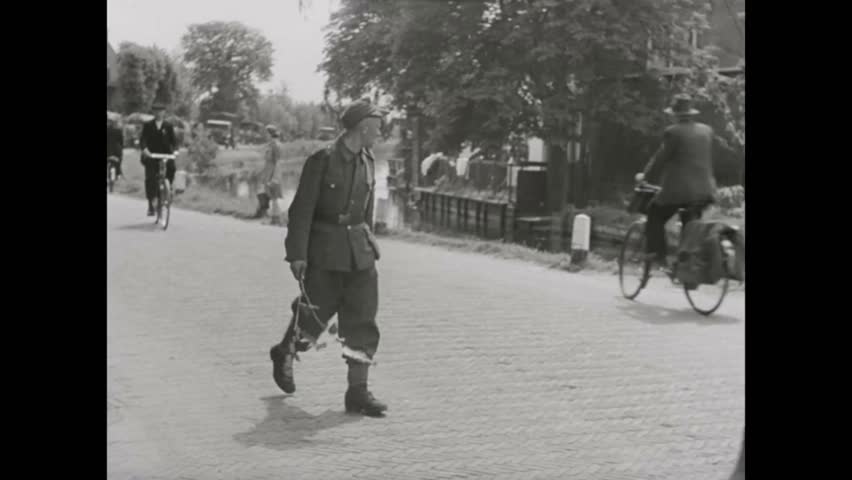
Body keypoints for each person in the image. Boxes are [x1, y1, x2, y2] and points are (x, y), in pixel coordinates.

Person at [270, 100, 386, 417]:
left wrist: (370, 239)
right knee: (313, 316)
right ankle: (285, 352)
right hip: (325, 252)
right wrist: (297, 254)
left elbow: (366, 210)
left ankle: (358, 393)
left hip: (360, 255)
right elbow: (302, 210)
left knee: (363, 319)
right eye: (378, 124)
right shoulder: (321, 160)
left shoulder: (368, 160)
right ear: (363, 126)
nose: (381, 131)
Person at [637, 94, 718, 272]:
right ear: (691, 113)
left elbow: (660, 159)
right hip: (705, 191)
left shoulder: (673, 132)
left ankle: (658, 256)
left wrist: (645, 177)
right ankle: (684, 265)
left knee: (655, 214)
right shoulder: (706, 131)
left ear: (674, 114)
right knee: (689, 225)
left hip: (680, 191)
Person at [140, 103, 178, 216]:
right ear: (153, 112)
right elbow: (143, 140)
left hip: (166, 154)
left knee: (172, 168)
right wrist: (145, 150)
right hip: (151, 155)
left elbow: (174, 141)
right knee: (150, 178)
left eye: (161, 111)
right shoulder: (148, 125)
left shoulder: (168, 126)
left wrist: (175, 151)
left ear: (164, 112)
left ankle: (169, 187)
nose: (158, 113)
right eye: (156, 111)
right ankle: (151, 204)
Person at [254, 125, 283, 220]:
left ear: (269, 134)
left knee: (273, 195)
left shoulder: (276, 145)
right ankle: (262, 212)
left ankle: (276, 217)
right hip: (267, 173)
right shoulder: (270, 145)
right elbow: (267, 161)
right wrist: (261, 172)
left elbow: (277, 162)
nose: (263, 134)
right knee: (261, 191)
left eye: (265, 133)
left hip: (272, 174)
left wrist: (274, 177)